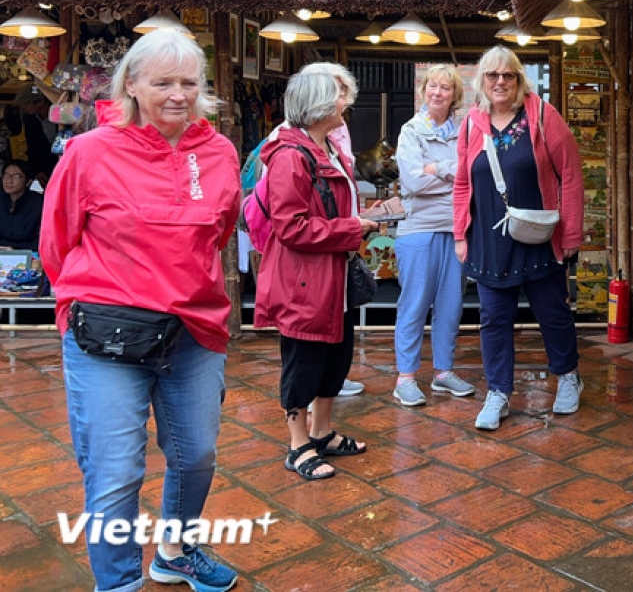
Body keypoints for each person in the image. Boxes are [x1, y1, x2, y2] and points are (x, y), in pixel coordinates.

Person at [40, 30, 242, 592]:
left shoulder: (219, 151)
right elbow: (56, 244)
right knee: (113, 476)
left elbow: (218, 232)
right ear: (131, 85)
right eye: (163, 83)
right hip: (108, 336)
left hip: (193, 330)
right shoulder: (89, 152)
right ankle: (119, 584)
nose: (178, 95)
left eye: (188, 83)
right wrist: (81, 306)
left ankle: (176, 552)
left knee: (196, 455)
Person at [253, 63, 379, 480]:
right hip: (304, 281)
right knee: (303, 360)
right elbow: (290, 227)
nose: (346, 101)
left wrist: (364, 217)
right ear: (319, 103)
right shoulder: (291, 156)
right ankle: (297, 444)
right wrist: (351, 229)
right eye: (338, 95)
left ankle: (322, 432)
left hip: (333, 276)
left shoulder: (329, 149)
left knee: (335, 357)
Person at [453, 46, 584, 431]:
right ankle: (498, 392)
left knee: (553, 314)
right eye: (492, 76)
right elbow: (462, 183)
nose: (499, 83)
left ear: (519, 79)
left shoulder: (544, 116)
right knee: (494, 319)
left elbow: (571, 176)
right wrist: (460, 233)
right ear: (482, 81)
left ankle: (568, 376)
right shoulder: (471, 125)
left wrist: (572, 232)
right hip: (489, 241)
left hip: (540, 236)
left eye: (507, 75)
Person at [392, 64, 474, 406]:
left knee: (451, 306)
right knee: (413, 305)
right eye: (433, 86)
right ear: (423, 89)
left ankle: (443, 373)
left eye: (445, 87)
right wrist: (452, 178)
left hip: (457, 230)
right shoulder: (411, 131)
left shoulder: (465, 131)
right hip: (419, 230)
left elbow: (472, 175)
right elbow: (412, 182)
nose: (437, 93)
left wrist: (436, 169)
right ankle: (405, 378)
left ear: (455, 95)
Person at [0, 159, 43, 249]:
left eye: (16, 176)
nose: (9, 181)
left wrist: (14, 249)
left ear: (28, 182)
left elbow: (41, 240)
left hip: (29, 253)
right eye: (6, 175)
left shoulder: (39, 203)